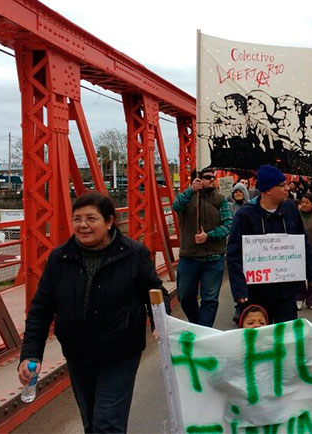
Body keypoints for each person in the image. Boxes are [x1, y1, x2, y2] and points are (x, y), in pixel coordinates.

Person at [18, 192, 165, 433]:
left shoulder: (133, 254)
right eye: (77, 219)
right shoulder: (60, 258)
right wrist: (31, 354)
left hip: (120, 350)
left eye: (90, 218)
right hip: (78, 352)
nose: (82, 225)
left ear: (109, 222)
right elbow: (41, 309)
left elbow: (155, 293)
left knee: (107, 424)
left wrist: (160, 323)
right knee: (91, 422)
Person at [227, 165, 312, 323]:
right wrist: (239, 290)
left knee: (287, 335)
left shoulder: (290, 209)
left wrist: (311, 274)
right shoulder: (245, 216)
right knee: (262, 337)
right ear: (268, 189)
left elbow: (303, 242)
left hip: (286, 291)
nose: (287, 188)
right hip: (257, 292)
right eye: (282, 185)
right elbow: (234, 254)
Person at [172, 167, 232, 327]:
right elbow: (176, 206)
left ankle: (203, 330)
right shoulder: (187, 198)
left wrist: (209, 235)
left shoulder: (220, 199)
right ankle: (196, 323)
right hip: (189, 256)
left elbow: (228, 225)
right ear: (196, 180)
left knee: (210, 299)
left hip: (213, 257)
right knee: (184, 296)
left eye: (213, 177)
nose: (212, 179)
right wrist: (191, 191)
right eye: (207, 177)